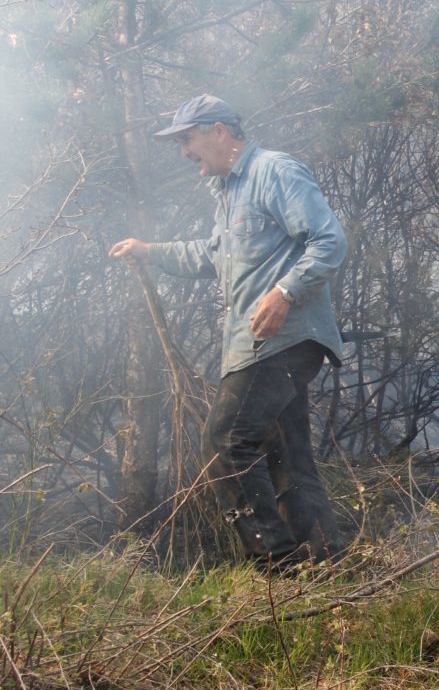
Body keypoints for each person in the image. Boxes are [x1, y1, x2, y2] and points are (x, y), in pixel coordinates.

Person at [109, 94, 347, 571]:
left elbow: (329, 240)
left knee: (224, 442)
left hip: (282, 340)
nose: (183, 152)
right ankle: (328, 566)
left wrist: (285, 292)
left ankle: (277, 566)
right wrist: (149, 249)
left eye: (187, 139)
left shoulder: (274, 171)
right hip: (263, 345)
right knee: (288, 458)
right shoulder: (229, 193)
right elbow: (209, 256)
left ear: (219, 131)